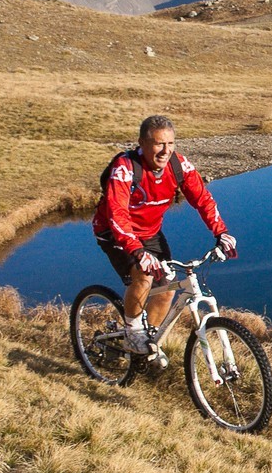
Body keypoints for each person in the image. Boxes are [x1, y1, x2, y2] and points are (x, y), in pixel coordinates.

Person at [92, 115, 237, 357]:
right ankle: (132, 332)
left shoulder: (178, 165)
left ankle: (149, 340)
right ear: (142, 143)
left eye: (170, 144)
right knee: (144, 276)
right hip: (114, 232)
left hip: (149, 233)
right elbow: (116, 213)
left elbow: (202, 198)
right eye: (159, 144)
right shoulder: (125, 168)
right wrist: (137, 252)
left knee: (168, 285)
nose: (165, 151)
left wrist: (221, 231)